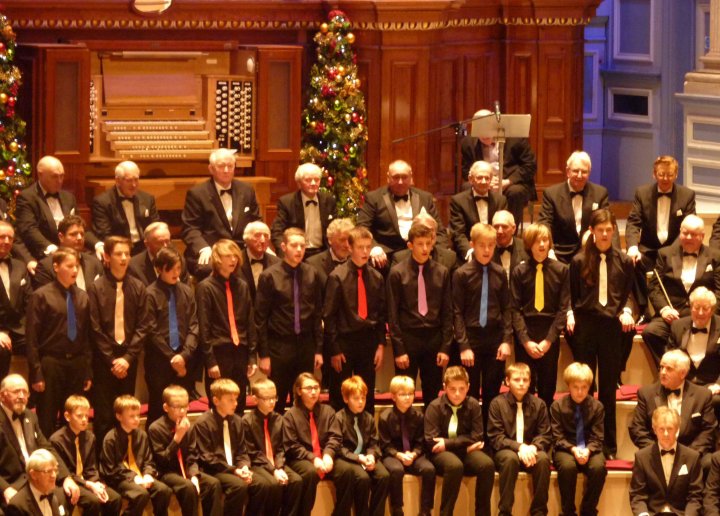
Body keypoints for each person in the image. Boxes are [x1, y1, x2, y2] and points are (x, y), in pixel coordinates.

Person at [568, 208, 634, 458]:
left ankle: (608, 446)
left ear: (614, 231)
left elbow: (628, 293)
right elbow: (573, 296)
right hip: (586, 326)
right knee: (584, 386)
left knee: (607, 388)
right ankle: (584, 440)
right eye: (600, 230)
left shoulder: (625, 261)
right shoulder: (578, 261)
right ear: (592, 232)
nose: (605, 234)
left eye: (609, 230)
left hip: (610, 329)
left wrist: (627, 308)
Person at [88, 236, 150, 444]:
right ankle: (104, 465)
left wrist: (128, 358)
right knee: (105, 415)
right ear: (106, 256)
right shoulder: (96, 287)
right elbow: (94, 327)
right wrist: (111, 360)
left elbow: (143, 326)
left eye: (127, 254)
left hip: (128, 359)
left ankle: (125, 459)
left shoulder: (138, 287)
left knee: (127, 414)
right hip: (105, 360)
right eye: (118, 254)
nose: (124, 258)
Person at [26, 248, 92, 437]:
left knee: (72, 417)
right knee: (46, 417)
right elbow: (32, 337)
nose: (74, 270)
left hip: (76, 363)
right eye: (69, 266)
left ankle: (69, 459)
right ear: (56, 267)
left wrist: (87, 370)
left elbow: (86, 337)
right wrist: (36, 372)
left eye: (77, 266)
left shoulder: (82, 296)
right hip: (51, 363)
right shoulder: (41, 295)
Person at [452, 223, 512, 430]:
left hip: (494, 339)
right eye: (481, 245)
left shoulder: (500, 273)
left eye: (491, 245)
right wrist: (464, 345)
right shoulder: (461, 274)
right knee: (469, 394)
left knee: (492, 393)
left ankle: (490, 437)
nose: (486, 250)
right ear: (472, 245)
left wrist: (505, 341)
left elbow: (506, 309)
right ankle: (470, 436)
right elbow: (457, 312)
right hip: (471, 338)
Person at [256, 229, 323, 413]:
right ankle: (275, 440)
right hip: (279, 346)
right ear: (284, 247)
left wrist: (318, 349)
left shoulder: (312, 274)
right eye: (294, 245)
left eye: (302, 245)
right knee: (276, 400)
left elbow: (317, 314)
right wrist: (264, 354)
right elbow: (260, 317)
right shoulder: (269, 276)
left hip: (306, 345)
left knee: (305, 401)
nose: (299, 250)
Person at [387, 221, 452, 408]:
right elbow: (393, 315)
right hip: (408, 338)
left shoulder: (442, 272)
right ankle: (404, 436)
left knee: (432, 393)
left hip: (433, 338)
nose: (425, 248)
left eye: (428, 243)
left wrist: (445, 347)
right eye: (420, 244)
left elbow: (447, 312)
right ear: (410, 245)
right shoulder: (397, 273)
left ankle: (429, 436)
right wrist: (399, 350)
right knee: (403, 393)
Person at [643, 214, 720, 367]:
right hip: (673, 314)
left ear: (702, 236)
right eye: (685, 233)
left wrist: (708, 312)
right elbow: (655, 287)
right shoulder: (664, 254)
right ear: (680, 232)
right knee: (651, 332)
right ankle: (673, 370)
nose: (689, 237)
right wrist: (664, 309)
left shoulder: (715, 256)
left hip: (702, 314)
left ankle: (698, 372)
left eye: (694, 234)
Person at [324, 226, 385, 413]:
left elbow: (381, 314)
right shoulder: (337, 276)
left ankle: (366, 438)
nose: (365, 252)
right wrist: (334, 349)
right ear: (350, 248)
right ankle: (339, 438)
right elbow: (329, 315)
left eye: (368, 247)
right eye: (360, 247)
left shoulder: (376, 277)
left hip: (368, 341)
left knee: (366, 394)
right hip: (344, 343)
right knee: (340, 393)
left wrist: (380, 345)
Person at [625, 155, 696, 316]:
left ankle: (676, 309)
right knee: (631, 262)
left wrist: (672, 250)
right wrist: (632, 247)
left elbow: (688, 226)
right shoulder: (642, 193)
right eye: (661, 174)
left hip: (675, 250)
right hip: (649, 250)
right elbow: (633, 222)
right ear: (654, 174)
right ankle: (644, 310)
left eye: (669, 175)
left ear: (676, 175)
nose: (665, 179)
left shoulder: (687, 195)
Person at [510, 222, 570, 409]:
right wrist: (525, 341)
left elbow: (562, 308)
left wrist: (549, 340)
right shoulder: (519, 271)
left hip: (549, 334)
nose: (542, 245)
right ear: (529, 244)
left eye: (545, 240)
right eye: (537, 241)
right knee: (524, 389)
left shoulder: (561, 270)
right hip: (525, 333)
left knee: (547, 387)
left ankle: (544, 433)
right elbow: (514, 309)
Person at [0, 374, 79, 513]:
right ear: (2, 395)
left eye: (25, 392)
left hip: (38, 477)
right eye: (16, 391)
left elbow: (46, 447)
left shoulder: (30, 415)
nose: (21, 396)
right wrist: (5, 489)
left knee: (81, 497)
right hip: (12, 482)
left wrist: (66, 477)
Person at [629, 349, 716, 473]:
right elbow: (637, 428)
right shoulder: (646, 394)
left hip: (691, 451)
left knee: (709, 463)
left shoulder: (702, 395)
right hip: (656, 451)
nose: (663, 372)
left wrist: (688, 454)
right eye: (661, 367)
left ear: (683, 373)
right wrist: (657, 450)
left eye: (669, 369)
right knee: (642, 461)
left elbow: (708, 430)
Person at [194, 379, 273, 514]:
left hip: (235, 468)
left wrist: (244, 467)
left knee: (263, 484)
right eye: (230, 400)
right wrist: (235, 470)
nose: (236, 403)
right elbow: (207, 458)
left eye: (236, 399)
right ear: (216, 401)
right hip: (214, 470)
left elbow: (242, 451)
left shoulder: (237, 420)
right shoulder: (203, 423)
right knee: (238, 486)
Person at [424, 366, 494, 516]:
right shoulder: (434, 406)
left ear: (468, 387)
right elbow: (432, 441)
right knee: (454, 465)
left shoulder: (473, 405)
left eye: (462, 389)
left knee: (487, 465)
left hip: (463, 451)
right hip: (441, 455)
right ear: (444, 387)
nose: (457, 394)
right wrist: (465, 447)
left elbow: (477, 436)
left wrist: (449, 443)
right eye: (452, 389)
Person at [196, 239, 256, 414]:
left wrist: (252, 356)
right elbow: (204, 326)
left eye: (235, 256)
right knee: (218, 405)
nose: (233, 260)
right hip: (219, 352)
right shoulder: (205, 287)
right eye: (228, 256)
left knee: (239, 404)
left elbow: (249, 322)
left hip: (240, 351)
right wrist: (210, 361)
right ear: (217, 259)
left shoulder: (242, 285)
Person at [181, 148, 261, 277]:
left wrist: (261, 243)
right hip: (212, 249)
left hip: (240, 249)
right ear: (211, 169)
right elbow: (190, 228)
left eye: (230, 166)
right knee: (207, 268)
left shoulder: (247, 190)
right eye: (221, 166)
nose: (226, 170)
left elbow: (256, 221)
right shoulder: (197, 194)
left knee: (269, 263)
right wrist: (203, 248)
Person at [356, 159, 447, 270]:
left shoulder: (425, 198)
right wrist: (374, 247)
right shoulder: (374, 198)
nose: (400, 182)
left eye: (404, 177)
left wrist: (439, 252)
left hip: (420, 251)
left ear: (411, 177)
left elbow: (440, 231)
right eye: (396, 177)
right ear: (388, 177)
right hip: (386, 255)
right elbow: (362, 227)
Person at [283, 373, 353, 516]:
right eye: (309, 388)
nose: (314, 392)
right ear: (298, 391)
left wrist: (328, 455)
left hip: (325, 455)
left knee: (347, 471)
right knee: (310, 472)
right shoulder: (290, 415)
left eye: (316, 387)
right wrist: (313, 458)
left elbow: (335, 437)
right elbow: (292, 445)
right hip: (301, 458)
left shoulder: (328, 411)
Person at [487, 362, 552, 516]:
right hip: (507, 451)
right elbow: (496, 437)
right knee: (510, 460)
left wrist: (533, 447)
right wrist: (519, 447)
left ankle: (539, 511)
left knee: (543, 460)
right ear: (507, 381)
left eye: (525, 380)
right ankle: (505, 511)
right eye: (517, 379)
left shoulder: (539, 404)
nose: (522, 384)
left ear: (530, 382)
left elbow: (545, 434)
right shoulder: (497, 404)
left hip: (531, 450)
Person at [147, 385, 222, 516]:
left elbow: (192, 455)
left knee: (213, 484)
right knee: (188, 487)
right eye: (177, 407)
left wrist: (193, 475)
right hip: (167, 472)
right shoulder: (156, 428)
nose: (182, 411)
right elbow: (162, 461)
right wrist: (177, 438)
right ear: (166, 408)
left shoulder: (189, 426)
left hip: (186, 470)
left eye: (185, 406)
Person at [145, 247, 200, 425]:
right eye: (172, 268)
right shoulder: (150, 293)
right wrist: (172, 358)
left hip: (184, 360)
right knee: (158, 410)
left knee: (182, 409)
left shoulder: (186, 291)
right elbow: (151, 331)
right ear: (160, 268)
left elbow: (194, 325)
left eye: (179, 268)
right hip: (159, 361)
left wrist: (184, 356)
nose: (176, 273)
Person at [460, 109, 537, 225]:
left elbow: (530, 165)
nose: (485, 135)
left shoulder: (515, 139)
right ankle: (476, 230)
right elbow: (466, 170)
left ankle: (508, 232)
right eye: (480, 131)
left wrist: (507, 181)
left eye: (487, 129)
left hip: (511, 182)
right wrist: (483, 181)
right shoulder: (468, 142)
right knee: (466, 187)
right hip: (483, 181)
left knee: (515, 192)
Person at [15, 155, 99, 261]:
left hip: (71, 253)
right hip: (44, 255)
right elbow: (29, 229)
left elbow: (80, 227)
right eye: (54, 176)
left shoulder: (68, 197)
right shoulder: (27, 197)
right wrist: (51, 248)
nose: (59, 181)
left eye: (62, 176)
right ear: (40, 175)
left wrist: (98, 245)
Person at [49, 395, 122, 516]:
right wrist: (89, 485)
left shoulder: (90, 437)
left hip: (87, 480)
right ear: (67, 416)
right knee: (92, 501)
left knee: (115, 498)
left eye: (86, 416)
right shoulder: (56, 440)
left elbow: (91, 467)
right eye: (79, 416)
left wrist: (96, 482)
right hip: (70, 483)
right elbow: (64, 473)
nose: (84, 419)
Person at [537, 151, 615, 263]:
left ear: (589, 173)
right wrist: (549, 250)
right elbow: (544, 224)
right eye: (575, 171)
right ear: (568, 171)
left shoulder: (600, 193)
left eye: (584, 172)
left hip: (591, 252)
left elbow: (608, 222)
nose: (579, 175)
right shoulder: (551, 194)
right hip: (560, 254)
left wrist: (615, 253)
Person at [99, 395, 171, 516]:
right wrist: (133, 477)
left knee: (163, 490)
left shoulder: (142, 435)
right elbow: (111, 470)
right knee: (140, 494)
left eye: (138, 415)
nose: (136, 419)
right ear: (119, 416)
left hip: (141, 476)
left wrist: (148, 474)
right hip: (119, 480)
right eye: (132, 416)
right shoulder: (110, 438)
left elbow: (149, 460)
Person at [550, 362, 607, 516]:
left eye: (584, 387)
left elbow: (598, 436)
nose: (580, 392)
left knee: (598, 468)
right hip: (566, 448)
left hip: (590, 448)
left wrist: (588, 450)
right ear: (568, 386)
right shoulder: (558, 406)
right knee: (568, 467)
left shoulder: (597, 406)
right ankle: (568, 511)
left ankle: (588, 510)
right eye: (576, 387)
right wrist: (574, 449)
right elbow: (557, 436)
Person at [240, 378, 303, 516]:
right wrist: (274, 470)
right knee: (272, 485)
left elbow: (281, 448)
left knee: (296, 481)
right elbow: (252, 452)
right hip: (258, 464)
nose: (272, 402)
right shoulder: (246, 421)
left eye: (274, 397)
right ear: (255, 400)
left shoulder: (278, 419)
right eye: (267, 398)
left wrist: (279, 467)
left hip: (276, 463)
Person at [378, 376, 435, 516]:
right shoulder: (385, 417)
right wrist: (399, 455)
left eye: (410, 394)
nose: (407, 398)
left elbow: (421, 441)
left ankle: (425, 510)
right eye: (402, 394)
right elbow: (385, 444)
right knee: (396, 470)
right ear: (393, 396)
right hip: (393, 455)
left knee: (429, 469)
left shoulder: (419, 416)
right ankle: (397, 509)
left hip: (414, 454)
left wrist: (414, 454)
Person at [630, 406, 703, 516]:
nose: (665, 434)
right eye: (661, 429)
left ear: (677, 429)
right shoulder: (642, 457)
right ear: (654, 430)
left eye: (670, 429)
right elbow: (637, 495)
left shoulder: (692, 457)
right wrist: (643, 514)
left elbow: (695, 496)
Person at [334, 376, 389, 516]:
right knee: (362, 478)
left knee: (383, 476)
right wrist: (359, 458)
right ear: (346, 399)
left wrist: (371, 456)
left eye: (363, 398)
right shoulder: (339, 418)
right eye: (356, 398)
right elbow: (338, 447)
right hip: (347, 458)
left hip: (365, 457)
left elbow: (374, 443)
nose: (360, 402)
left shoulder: (368, 418)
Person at [668, 286, 720, 420]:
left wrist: (718, 384)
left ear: (713, 310)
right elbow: (670, 357)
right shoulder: (678, 326)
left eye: (705, 308)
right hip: (684, 381)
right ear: (690, 307)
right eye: (696, 308)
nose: (700, 313)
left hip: (712, 383)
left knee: (715, 401)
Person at [90, 160, 160, 256]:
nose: (134, 185)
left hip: (144, 248)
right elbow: (104, 234)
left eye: (136, 179)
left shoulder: (147, 199)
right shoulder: (102, 202)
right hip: (119, 249)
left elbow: (155, 226)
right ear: (117, 181)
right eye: (129, 180)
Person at [271, 163, 337, 259]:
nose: (313, 183)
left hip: (324, 253)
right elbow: (277, 232)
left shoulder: (329, 200)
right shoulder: (287, 202)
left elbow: (335, 230)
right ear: (299, 183)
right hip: (297, 253)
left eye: (316, 180)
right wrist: (284, 254)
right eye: (308, 180)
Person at [450, 160, 508, 263]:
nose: (484, 181)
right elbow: (458, 233)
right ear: (471, 179)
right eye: (479, 178)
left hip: (494, 252)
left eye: (487, 178)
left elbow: (502, 231)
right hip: (468, 253)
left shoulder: (501, 200)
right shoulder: (458, 201)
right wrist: (470, 252)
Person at [32, 215, 103, 292]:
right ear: (61, 237)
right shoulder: (46, 267)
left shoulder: (94, 263)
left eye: (82, 234)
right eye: (73, 234)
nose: (79, 238)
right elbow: (44, 299)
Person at [0, 222, 31, 379]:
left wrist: (27, 328)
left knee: (41, 346)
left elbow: (29, 302)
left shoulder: (20, 266)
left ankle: (33, 401)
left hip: (19, 329)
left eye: (10, 238)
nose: (6, 241)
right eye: (2, 237)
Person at [389, 212, 458, 274]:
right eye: (422, 230)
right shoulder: (399, 259)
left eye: (430, 230)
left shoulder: (450, 258)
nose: (427, 234)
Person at [127, 221, 188, 287]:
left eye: (167, 241)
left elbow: (187, 291)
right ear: (147, 244)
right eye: (160, 242)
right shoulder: (134, 267)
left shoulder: (179, 261)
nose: (165, 246)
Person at [6, 450, 65, 516]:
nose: (54, 475)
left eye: (55, 470)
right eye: (49, 471)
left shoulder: (58, 495)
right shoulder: (17, 506)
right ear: (33, 474)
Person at [306, 217, 354, 287]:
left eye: (349, 240)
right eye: (342, 240)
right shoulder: (313, 265)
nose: (347, 245)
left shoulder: (357, 261)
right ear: (330, 240)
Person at [239, 221, 279, 300]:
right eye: (257, 235)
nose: (263, 240)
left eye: (266, 236)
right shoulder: (235, 261)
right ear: (246, 239)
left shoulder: (277, 263)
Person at [492, 210, 528, 281]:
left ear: (513, 229)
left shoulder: (526, 247)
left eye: (504, 227)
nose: (499, 231)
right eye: (496, 227)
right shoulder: (486, 250)